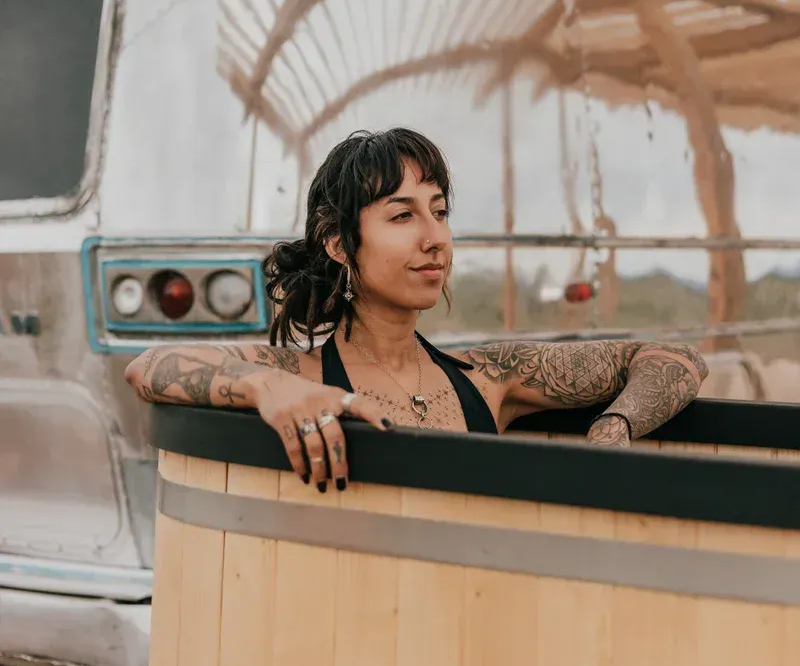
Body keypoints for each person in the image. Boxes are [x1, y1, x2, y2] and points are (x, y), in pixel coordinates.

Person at [125, 127, 708, 492]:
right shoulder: (298, 376)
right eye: (402, 215)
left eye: (440, 210)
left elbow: (672, 359)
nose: (435, 237)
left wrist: (615, 426)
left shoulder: (489, 377)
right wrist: (262, 388)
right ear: (339, 243)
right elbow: (150, 363)